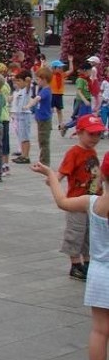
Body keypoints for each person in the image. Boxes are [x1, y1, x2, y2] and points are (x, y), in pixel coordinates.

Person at [34, 158, 109, 360]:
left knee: (99, 330)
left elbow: (62, 201)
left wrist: (52, 175)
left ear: (103, 177)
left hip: (98, 274)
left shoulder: (92, 202)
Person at [56, 114, 105, 281]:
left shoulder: (92, 151)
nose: (95, 138)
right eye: (91, 134)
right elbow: (63, 171)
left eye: (98, 134)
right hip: (77, 201)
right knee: (76, 233)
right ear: (79, 132)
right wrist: (54, 181)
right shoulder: (74, 152)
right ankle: (75, 265)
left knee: (91, 233)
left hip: (93, 201)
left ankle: (88, 262)